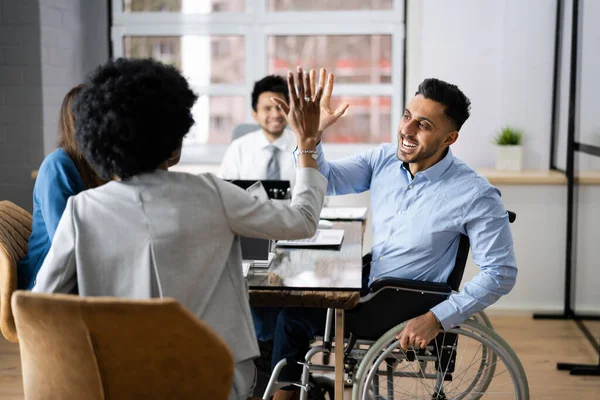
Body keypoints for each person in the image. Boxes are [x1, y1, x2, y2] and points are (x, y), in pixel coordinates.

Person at [32, 58, 329, 399]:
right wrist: (306, 142)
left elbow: (40, 307)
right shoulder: (212, 193)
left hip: (119, 382)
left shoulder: (80, 212)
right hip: (213, 380)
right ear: (174, 140)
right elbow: (304, 220)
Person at [264, 77, 518, 399]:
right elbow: (325, 180)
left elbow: (501, 273)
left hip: (399, 304)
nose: (407, 130)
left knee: (291, 319)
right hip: (372, 281)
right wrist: (310, 136)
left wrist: (437, 319)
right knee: (287, 300)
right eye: (407, 116)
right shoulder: (384, 159)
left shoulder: (475, 194)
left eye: (423, 124)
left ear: (449, 138)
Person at [17, 84, 105, 290]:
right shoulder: (57, 166)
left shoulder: (96, 166)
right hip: (49, 281)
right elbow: (63, 240)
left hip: (79, 274)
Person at [219, 74, 349, 188]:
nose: (275, 114)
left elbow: (318, 192)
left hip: (294, 215)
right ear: (255, 114)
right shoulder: (239, 148)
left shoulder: (303, 144)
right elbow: (225, 192)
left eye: (280, 107)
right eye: (267, 109)